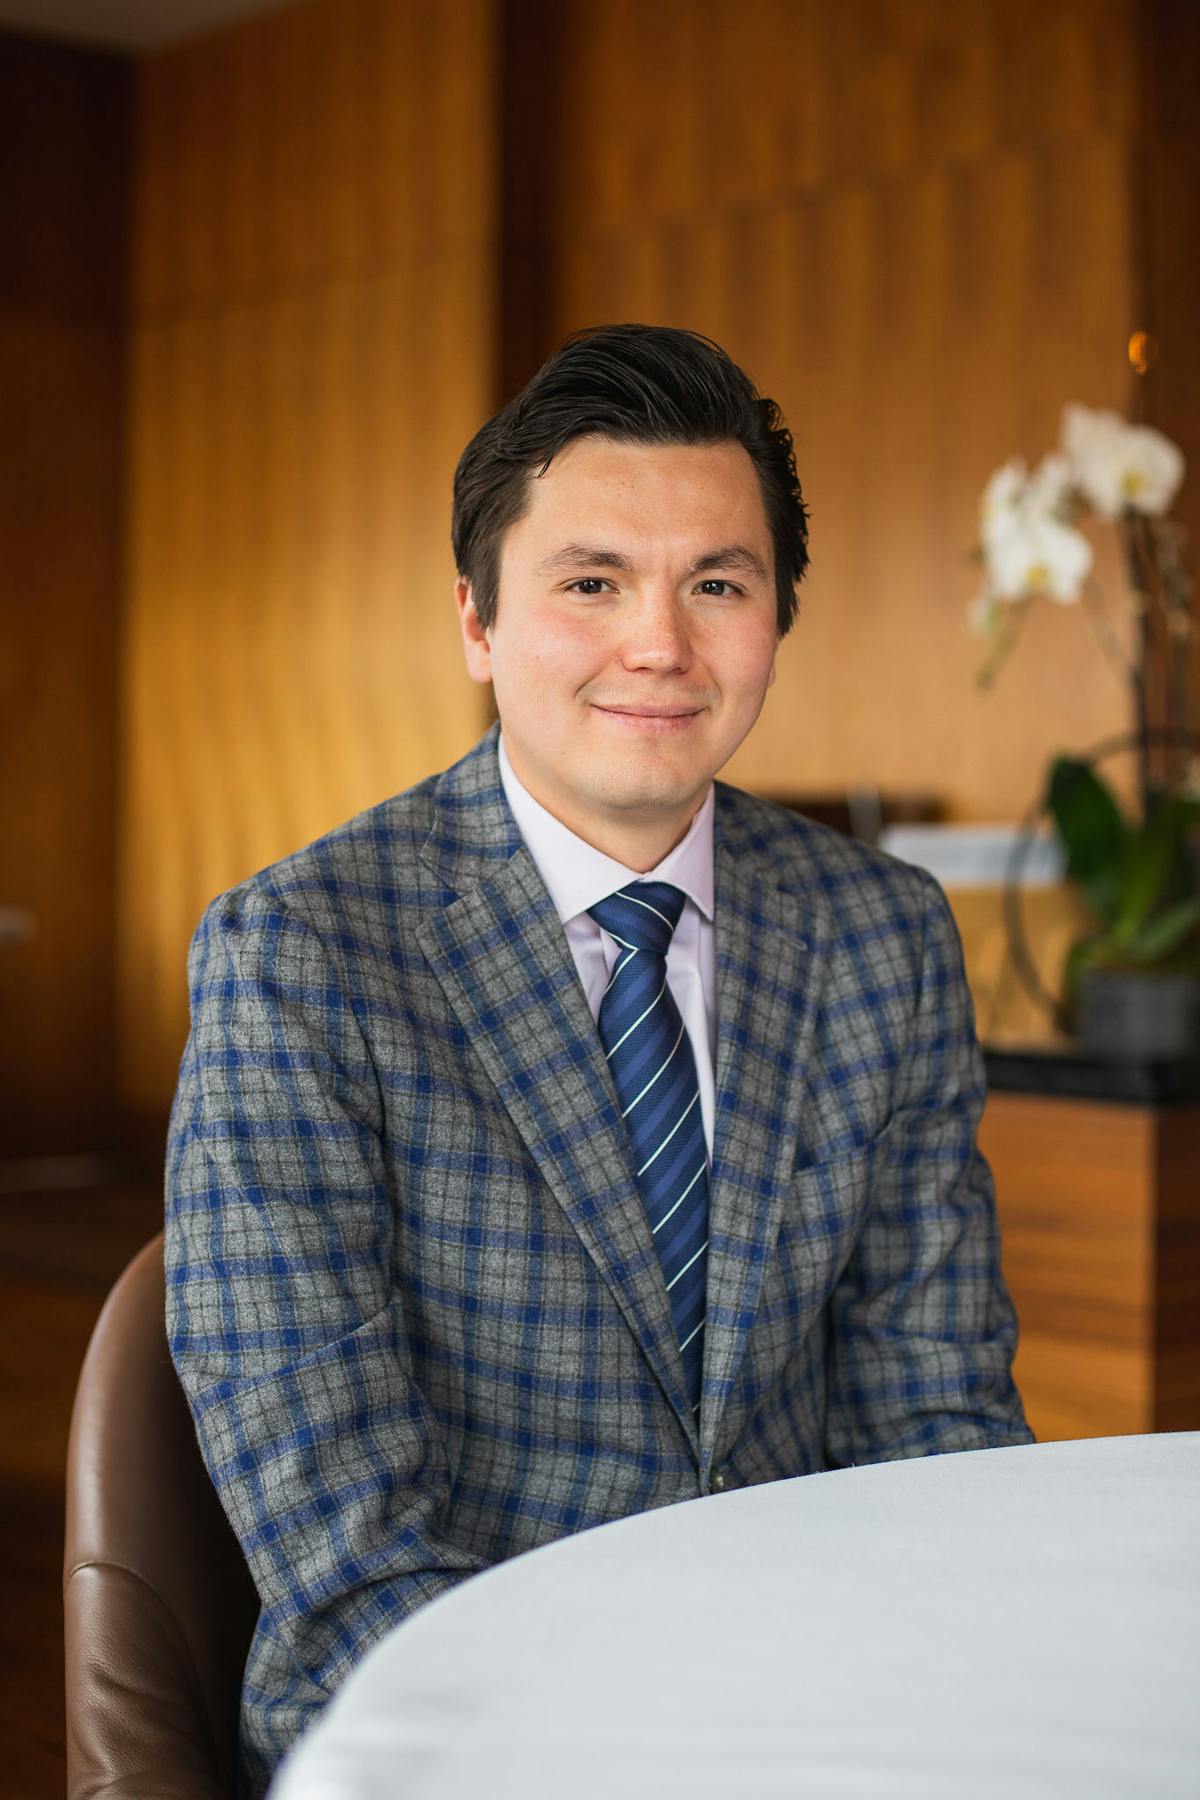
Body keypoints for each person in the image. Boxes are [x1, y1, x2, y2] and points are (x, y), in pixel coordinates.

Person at [166, 323, 1032, 1796]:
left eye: (717, 584)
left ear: (776, 619)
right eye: (591, 583)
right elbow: (340, 1532)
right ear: (478, 622)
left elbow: (935, 1415)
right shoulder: (304, 954)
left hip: (815, 1707)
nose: (661, 644)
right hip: (449, 1715)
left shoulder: (882, 935)